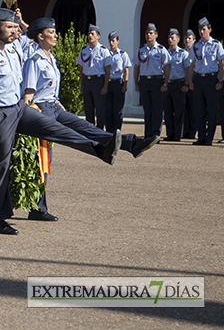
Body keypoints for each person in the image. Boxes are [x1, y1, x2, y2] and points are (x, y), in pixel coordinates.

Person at [0, 9, 121, 236]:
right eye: (9, 27)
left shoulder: (13, 49)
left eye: (15, 27)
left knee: (54, 129)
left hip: (18, 109)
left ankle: (101, 150)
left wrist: (19, 19)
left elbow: (31, 33)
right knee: (0, 167)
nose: (15, 30)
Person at [22, 18, 157, 222]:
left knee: (85, 126)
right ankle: (37, 208)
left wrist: (57, 101)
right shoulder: (34, 61)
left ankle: (131, 143)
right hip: (40, 111)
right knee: (44, 159)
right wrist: (30, 115)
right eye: (52, 32)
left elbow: (48, 88)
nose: (56, 35)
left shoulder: (50, 58)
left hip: (54, 107)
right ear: (40, 36)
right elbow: (28, 94)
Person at [189, 17, 224, 146]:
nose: (201, 32)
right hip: (199, 79)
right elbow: (192, 65)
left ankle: (209, 138)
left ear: (209, 29)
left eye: (203, 29)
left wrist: (220, 80)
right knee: (199, 110)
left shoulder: (216, 44)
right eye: (200, 30)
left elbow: (221, 64)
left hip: (211, 78)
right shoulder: (196, 46)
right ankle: (201, 136)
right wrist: (190, 81)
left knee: (212, 110)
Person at [133, 23, 170, 139]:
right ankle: (147, 134)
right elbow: (136, 67)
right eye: (147, 33)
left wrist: (165, 83)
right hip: (144, 81)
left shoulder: (161, 50)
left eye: (151, 33)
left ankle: (155, 134)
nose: (148, 35)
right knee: (147, 109)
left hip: (157, 81)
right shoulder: (141, 50)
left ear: (156, 35)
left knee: (157, 109)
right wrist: (136, 83)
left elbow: (167, 67)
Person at [76, 24, 111, 129]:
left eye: (92, 34)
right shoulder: (84, 50)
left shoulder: (103, 50)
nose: (90, 36)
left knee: (100, 108)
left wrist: (105, 86)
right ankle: (90, 130)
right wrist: (82, 85)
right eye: (89, 34)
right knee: (88, 108)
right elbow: (81, 70)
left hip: (98, 80)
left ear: (98, 36)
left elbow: (107, 70)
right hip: (87, 81)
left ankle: (99, 131)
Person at [162, 28, 193, 142]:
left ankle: (177, 135)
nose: (170, 39)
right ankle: (169, 134)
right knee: (168, 111)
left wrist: (186, 84)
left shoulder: (183, 54)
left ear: (178, 40)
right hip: (168, 84)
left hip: (179, 84)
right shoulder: (164, 53)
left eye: (172, 38)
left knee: (179, 111)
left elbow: (188, 70)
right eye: (169, 37)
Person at [103, 32, 131, 134]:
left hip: (118, 83)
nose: (111, 43)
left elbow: (126, 70)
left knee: (118, 110)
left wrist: (125, 85)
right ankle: (109, 132)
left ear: (117, 41)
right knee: (108, 109)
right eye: (110, 41)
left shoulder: (123, 54)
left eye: (113, 40)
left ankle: (117, 131)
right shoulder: (106, 54)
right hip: (108, 83)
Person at [183, 30, 197, 140]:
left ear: (194, 40)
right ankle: (186, 131)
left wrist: (190, 83)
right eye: (186, 38)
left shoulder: (197, 52)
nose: (187, 40)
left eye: (189, 38)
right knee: (185, 109)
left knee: (193, 109)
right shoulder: (182, 53)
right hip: (183, 84)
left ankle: (192, 131)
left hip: (193, 84)